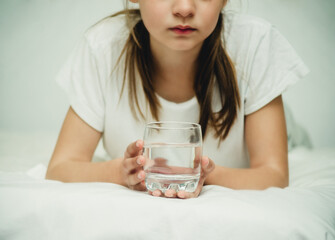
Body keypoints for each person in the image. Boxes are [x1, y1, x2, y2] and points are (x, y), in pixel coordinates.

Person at [46, 0, 309, 199]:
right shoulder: (102, 47)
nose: (184, 8)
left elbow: (274, 174)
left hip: (286, 134)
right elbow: (60, 168)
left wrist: (203, 175)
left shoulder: (256, 43)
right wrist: (121, 172)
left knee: (298, 141)